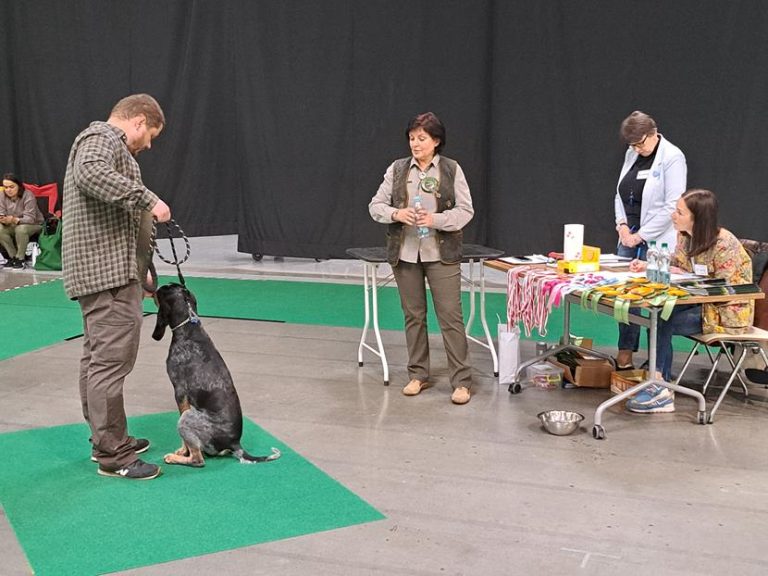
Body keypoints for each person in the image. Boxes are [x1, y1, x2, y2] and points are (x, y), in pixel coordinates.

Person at [62, 94, 172, 479]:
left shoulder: (102, 141)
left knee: (97, 360)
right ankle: (114, 455)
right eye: (152, 135)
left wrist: (140, 270)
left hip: (110, 272)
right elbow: (90, 174)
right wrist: (149, 198)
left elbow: (113, 217)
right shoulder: (102, 138)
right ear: (139, 121)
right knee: (109, 364)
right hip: (106, 279)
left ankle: (104, 441)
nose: (149, 145)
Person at [369, 112, 475, 404]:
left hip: (441, 253)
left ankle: (462, 382)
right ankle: (418, 374)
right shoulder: (398, 169)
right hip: (405, 254)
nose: (415, 144)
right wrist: (396, 213)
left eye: (422, 138)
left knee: (450, 317)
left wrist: (435, 219)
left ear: (436, 141)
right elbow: (375, 205)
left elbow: (466, 211)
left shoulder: (452, 169)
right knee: (413, 316)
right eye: (412, 138)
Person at [625, 188, 753, 413]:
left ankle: (660, 388)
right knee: (659, 312)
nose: (673, 216)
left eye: (680, 212)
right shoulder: (684, 237)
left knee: (662, 320)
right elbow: (681, 266)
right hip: (699, 303)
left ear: (698, 218)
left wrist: (690, 287)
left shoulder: (724, 244)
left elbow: (726, 289)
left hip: (725, 312)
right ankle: (659, 382)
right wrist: (649, 265)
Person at [613, 111, 686, 370]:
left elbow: (672, 206)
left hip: (657, 242)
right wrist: (621, 226)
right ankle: (625, 353)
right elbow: (619, 194)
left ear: (654, 133)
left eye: (640, 143)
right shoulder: (632, 154)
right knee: (624, 299)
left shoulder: (673, 157)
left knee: (655, 301)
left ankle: (657, 365)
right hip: (628, 237)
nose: (636, 148)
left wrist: (640, 236)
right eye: (631, 145)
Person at [0, 173, 45, 269]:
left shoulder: (28, 195)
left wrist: (14, 219)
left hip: (34, 224)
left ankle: (20, 259)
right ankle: (13, 258)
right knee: (0, 229)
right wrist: (3, 219)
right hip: (13, 224)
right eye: (6, 187)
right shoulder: (2, 195)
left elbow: (30, 218)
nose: (8, 190)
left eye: (11, 187)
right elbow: (1, 211)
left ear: (19, 186)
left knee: (21, 229)